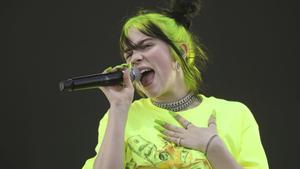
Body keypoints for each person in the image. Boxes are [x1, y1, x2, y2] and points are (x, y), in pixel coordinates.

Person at [82, 0, 268, 168]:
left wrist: (213, 147)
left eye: (146, 46)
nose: (135, 58)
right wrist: (119, 107)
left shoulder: (235, 114)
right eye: (128, 54)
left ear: (181, 51)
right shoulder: (119, 116)